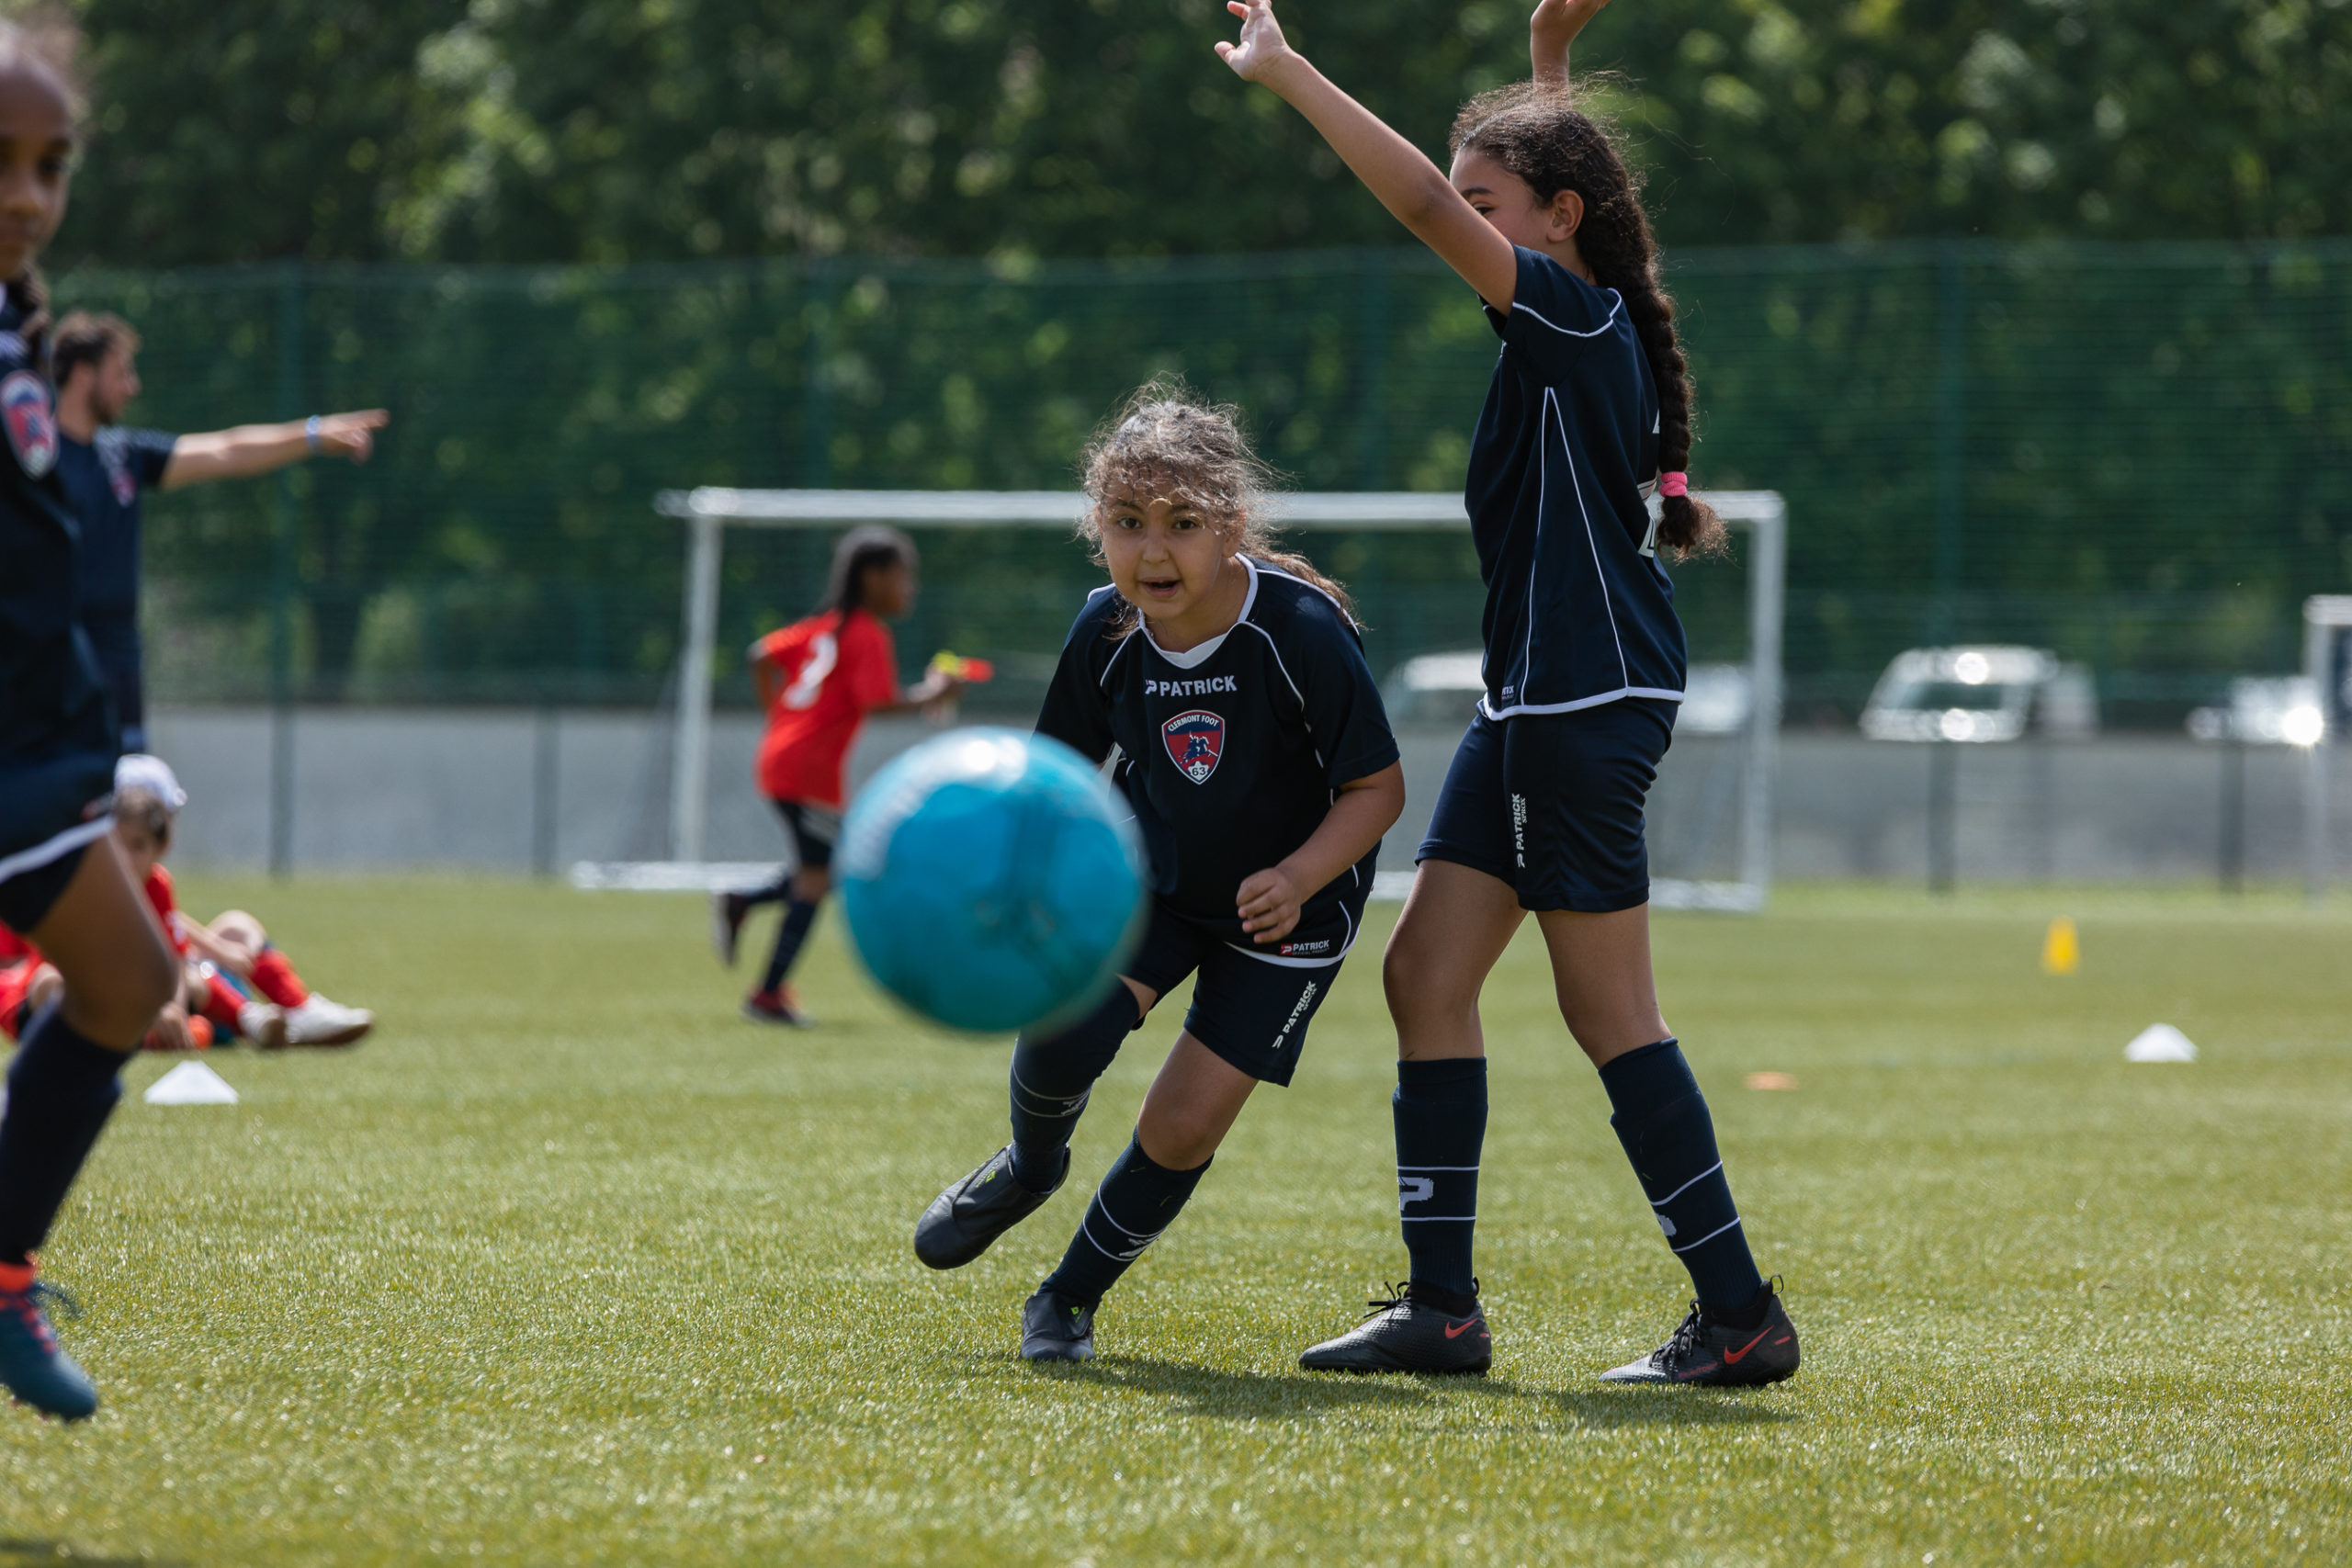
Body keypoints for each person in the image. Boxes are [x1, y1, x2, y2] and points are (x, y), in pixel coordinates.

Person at [1218, 0, 1801, 1383]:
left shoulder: (1570, 317)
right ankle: (1444, 1308)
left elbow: (1423, 193)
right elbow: (1510, 184)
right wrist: (1545, 74)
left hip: (1581, 707)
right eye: (1473, 199)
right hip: (1534, 703)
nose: (1460, 223)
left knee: (1612, 1014)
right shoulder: (1574, 311)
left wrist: (1292, 72)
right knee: (1425, 974)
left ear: (1551, 218)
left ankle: (1741, 1316)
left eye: (1494, 204)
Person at [911, 383, 1406, 1363]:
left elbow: (1378, 791)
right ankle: (1029, 1166)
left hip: (1287, 909)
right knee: (1062, 1020)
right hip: (1154, 875)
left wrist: (1301, 874)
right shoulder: (1104, 628)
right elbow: (1054, 778)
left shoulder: (1298, 631)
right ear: (1098, 529)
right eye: (1126, 524)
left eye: (1181, 524)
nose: (1152, 550)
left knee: (1180, 1123)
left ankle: (1065, 1300)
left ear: (1230, 524)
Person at [0, 18, 183, 1422]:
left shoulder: (19, 319)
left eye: (50, 164)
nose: (25, 192)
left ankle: (2, 1273)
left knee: (127, 982)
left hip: (30, 745)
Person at [49, 310, 390, 750]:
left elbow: (227, 449)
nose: (133, 387)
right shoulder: (35, 463)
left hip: (119, 672)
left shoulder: (123, 455)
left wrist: (312, 435)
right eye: (121, 373)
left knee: (133, 807)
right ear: (81, 374)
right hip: (53, 671)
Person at [711, 526, 961, 1025]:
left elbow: (760, 655)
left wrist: (779, 718)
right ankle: (767, 995)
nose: (908, 588)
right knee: (820, 877)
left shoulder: (821, 627)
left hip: (783, 759)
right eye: (902, 576)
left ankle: (745, 902)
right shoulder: (867, 633)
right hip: (809, 772)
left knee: (830, 868)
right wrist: (933, 694)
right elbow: (879, 703)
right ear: (871, 577)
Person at [105, 752, 374, 1052]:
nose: (170, 826)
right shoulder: (106, 874)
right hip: (165, 991)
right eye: (164, 812)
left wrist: (214, 948)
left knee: (238, 926)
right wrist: (217, 951)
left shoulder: (155, 878)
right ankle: (252, 1020)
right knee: (195, 977)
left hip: (180, 983)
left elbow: (168, 923)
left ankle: (296, 1010)